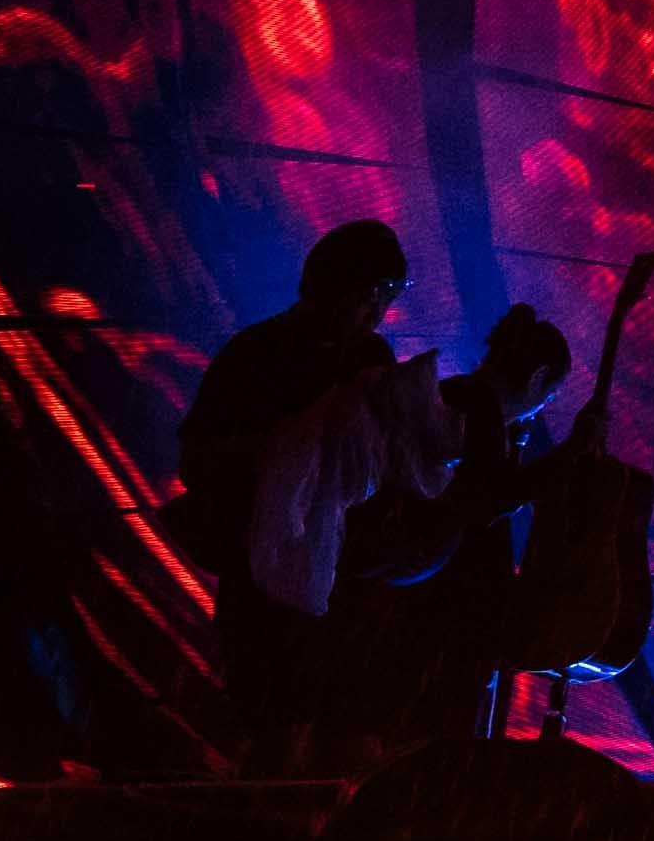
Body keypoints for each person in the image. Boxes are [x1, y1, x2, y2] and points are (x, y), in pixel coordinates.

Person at [171, 219, 565, 766]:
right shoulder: (258, 353)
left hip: (343, 578)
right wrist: (288, 458)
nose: (381, 311)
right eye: (377, 294)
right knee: (269, 722)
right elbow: (198, 458)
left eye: (390, 296)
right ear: (339, 284)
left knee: (329, 727)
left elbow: (393, 454)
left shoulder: (368, 355)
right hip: (262, 565)